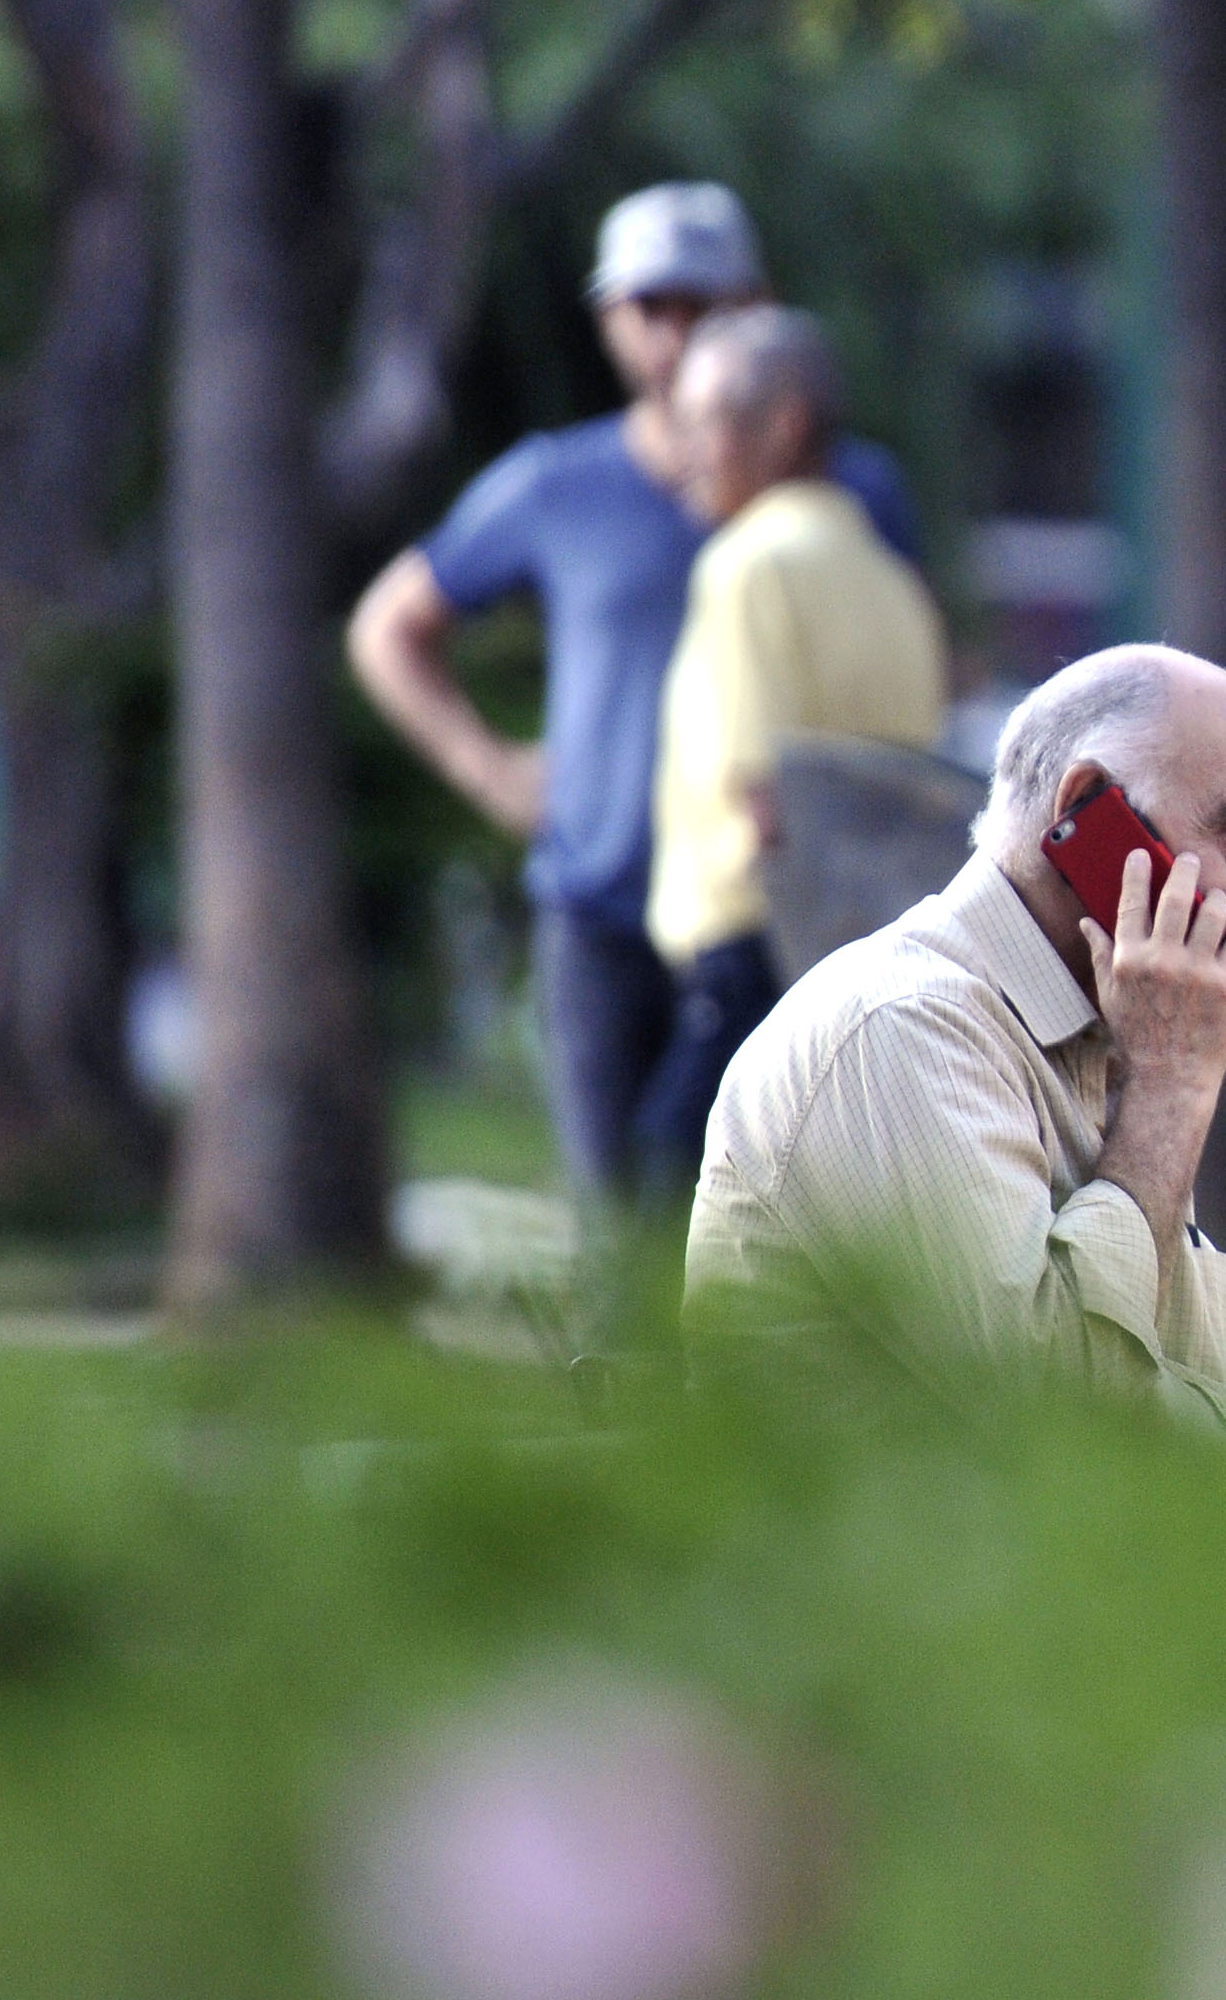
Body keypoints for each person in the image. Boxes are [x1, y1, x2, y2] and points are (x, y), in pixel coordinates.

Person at [349, 184, 922, 1224]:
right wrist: (489, 767)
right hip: (605, 906)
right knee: (625, 1231)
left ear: (756, 305)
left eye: (699, 305)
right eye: (645, 307)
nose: (672, 335)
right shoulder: (555, 484)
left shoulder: (838, 493)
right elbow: (391, 622)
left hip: (777, 926)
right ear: (609, 319)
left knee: (770, 1233)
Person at [682, 645, 1226, 1446]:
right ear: (1086, 803)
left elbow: (1212, 1394)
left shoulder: (1109, 1034)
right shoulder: (901, 1025)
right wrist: (1173, 1091)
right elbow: (1062, 1423)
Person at [634, 308, 949, 1184]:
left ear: (783, 427)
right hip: (865, 957)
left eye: (702, 421)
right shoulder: (894, 582)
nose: (683, 448)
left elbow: (763, 796)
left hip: (753, 947)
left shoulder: (747, 566)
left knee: (671, 1174)